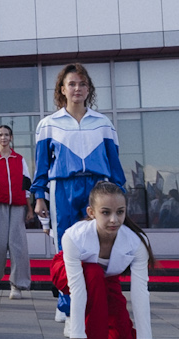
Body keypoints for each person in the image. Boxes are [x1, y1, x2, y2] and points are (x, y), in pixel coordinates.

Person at [52, 182, 170, 339]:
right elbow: (78, 290)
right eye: (105, 212)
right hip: (68, 273)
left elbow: (140, 294)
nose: (114, 219)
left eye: (120, 212)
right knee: (93, 273)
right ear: (91, 212)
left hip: (105, 278)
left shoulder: (136, 242)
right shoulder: (75, 236)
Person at [31, 64, 124, 248]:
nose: (77, 88)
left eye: (82, 84)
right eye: (72, 84)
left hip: (98, 186)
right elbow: (42, 166)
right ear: (62, 89)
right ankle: (66, 269)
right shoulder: (48, 124)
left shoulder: (103, 123)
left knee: (99, 242)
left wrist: (118, 192)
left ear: (88, 89)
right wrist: (39, 197)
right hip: (63, 189)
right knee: (66, 242)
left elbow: (114, 163)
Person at [0, 125, 33, 297]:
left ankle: (17, 284)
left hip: (17, 205)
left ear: (11, 137)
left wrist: (29, 208)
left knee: (18, 245)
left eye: (6, 135)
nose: (3, 138)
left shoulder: (20, 159)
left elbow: (26, 186)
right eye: (0, 135)